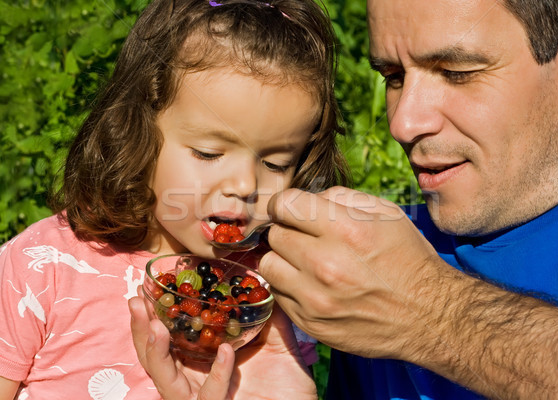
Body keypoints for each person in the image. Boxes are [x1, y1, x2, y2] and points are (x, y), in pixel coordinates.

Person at [0, 0, 350, 397]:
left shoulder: (266, 298)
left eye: (275, 163)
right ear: (139, 131)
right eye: (208, 153)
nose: (243, 183)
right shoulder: (42, 267)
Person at [253, 0, 558, 399]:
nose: (403, 123)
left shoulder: (397, 279)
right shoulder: (374, 258)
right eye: (394, 76)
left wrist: (427, 310)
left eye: (456, 73)